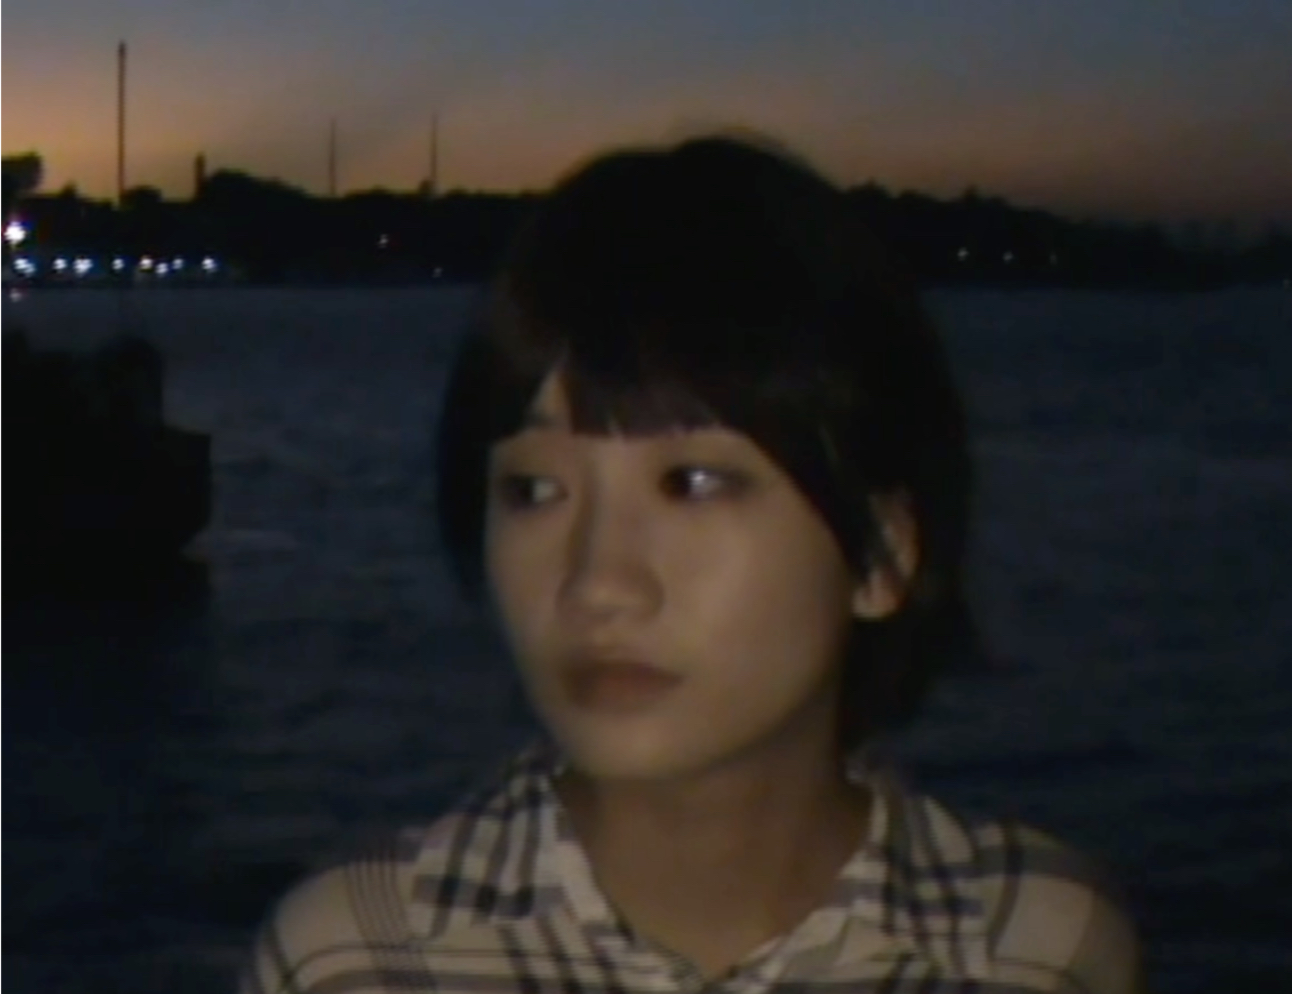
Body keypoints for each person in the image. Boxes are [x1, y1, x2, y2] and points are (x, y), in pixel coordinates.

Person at [238, 134, 1143, 993]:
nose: (597, 582)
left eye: (694, 482)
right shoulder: (354, 960)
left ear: (879, 553)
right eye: (534, 490)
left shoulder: (1034, 947)